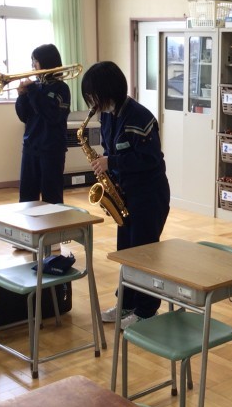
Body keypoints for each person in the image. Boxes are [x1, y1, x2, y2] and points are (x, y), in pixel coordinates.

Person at [81, 61, 170, 329]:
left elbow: (150, 159)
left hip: (149, 194)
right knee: (126, 252)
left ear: (108, 90)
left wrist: (111, 162)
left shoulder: (140, 118)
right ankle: (127, 304)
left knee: (144, 254)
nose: (92, 103)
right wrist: (109, 176)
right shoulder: (108, 116)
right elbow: (111, 151)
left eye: (94, 96)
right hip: (126, 193)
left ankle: (146, 310)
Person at [15, 43, 70, 206]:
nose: (32, 65)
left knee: (52, 197)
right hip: (30, 147)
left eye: (36, 61)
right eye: (32, 61)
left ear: (46, 62)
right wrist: (21, 96)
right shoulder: (35, 87)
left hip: (52, 149)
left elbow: (51, 115)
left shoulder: (61, 88)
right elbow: (24, 116)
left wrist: (32, 91)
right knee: (27, 197)